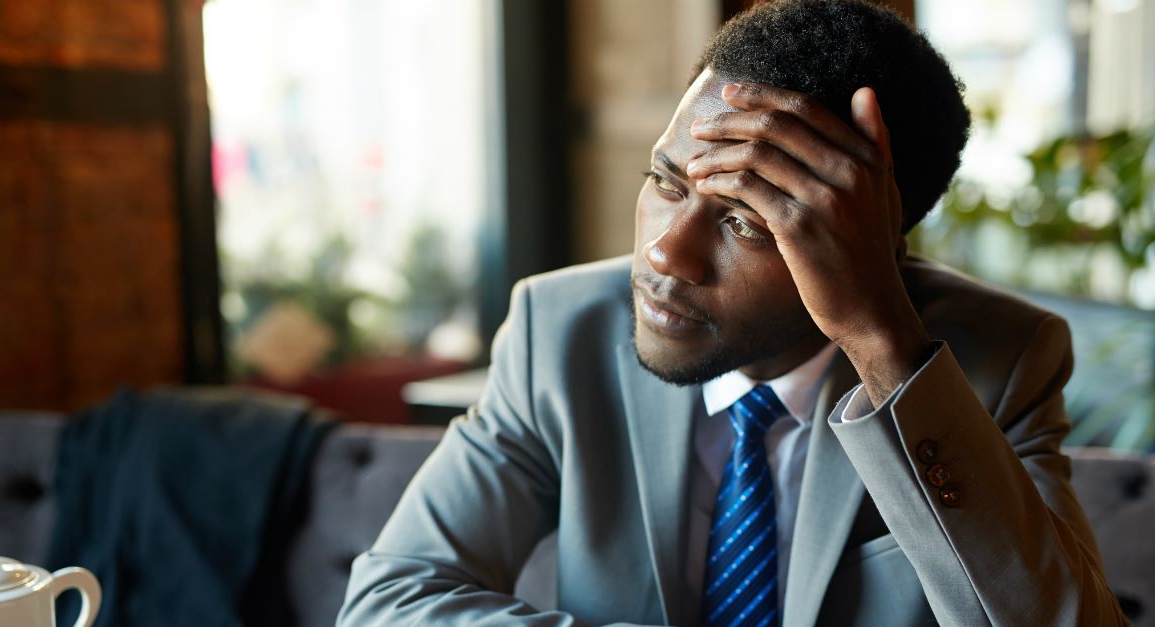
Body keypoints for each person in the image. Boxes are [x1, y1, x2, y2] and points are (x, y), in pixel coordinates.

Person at [338, 1, 1128, 625]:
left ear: (867, 246)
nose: (663, 255)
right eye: (668, 181)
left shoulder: (998, 362)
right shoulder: (559, 331)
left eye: (747, 220)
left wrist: (882, 345)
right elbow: (390, 599)